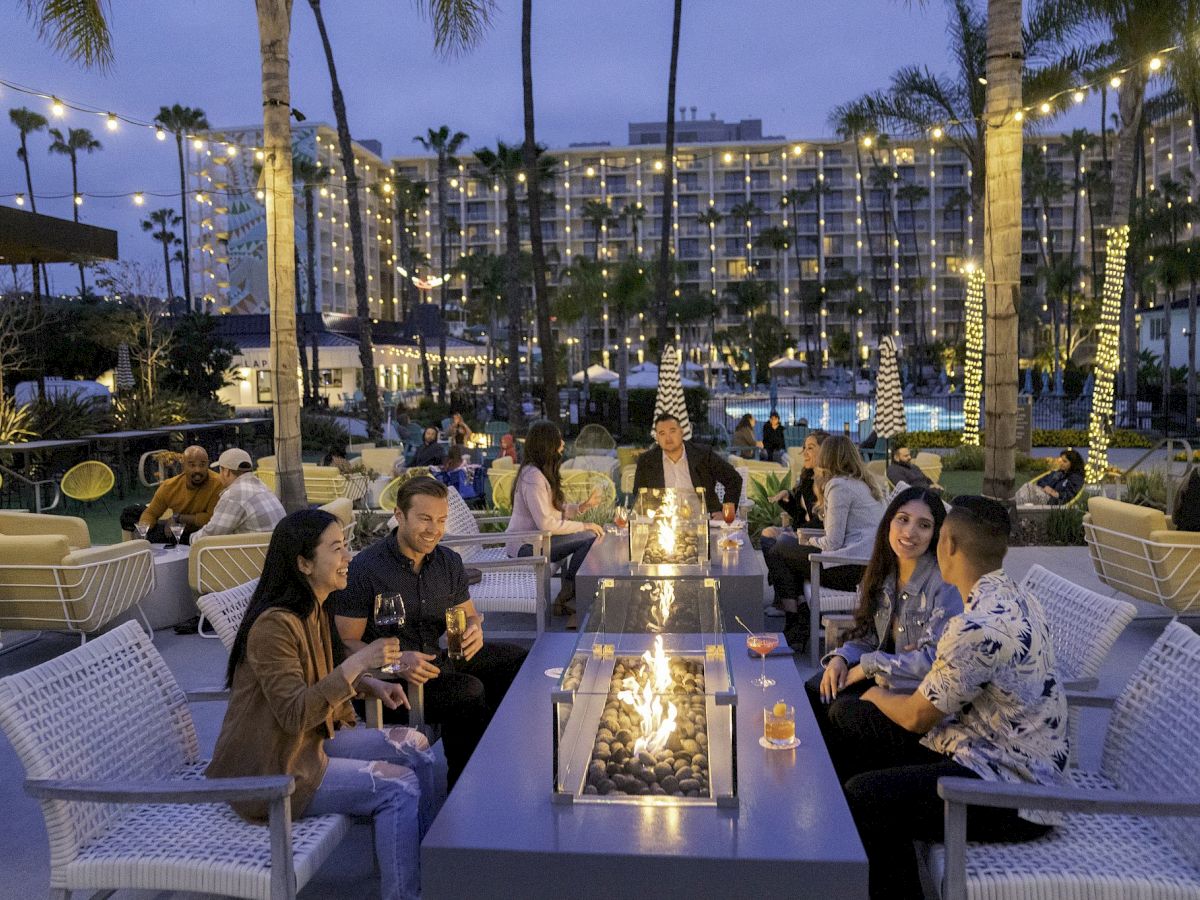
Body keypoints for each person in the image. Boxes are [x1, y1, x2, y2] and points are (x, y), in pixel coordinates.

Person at [831, 496, 1068, 900]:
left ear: (949, 546)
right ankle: (850, 865)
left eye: (934, 533)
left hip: (1011, 790)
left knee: (865, 795)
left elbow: (914, 718)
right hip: (976, 744)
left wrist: (872, 691)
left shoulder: (975, 626)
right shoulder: (1016, 596)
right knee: (852, 722)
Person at [207, 509, 435, 900]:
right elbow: (295, 713)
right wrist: (361, 662)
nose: (349, 557)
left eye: (346, 546)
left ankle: (427, 861)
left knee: (417, 745)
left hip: (310, 742)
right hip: (273, 769)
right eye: (337, 549)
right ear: (303, 562)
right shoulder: (274, 625)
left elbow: (317, 676)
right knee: (398, 788)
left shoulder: (314, 606)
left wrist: (368, 685)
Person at [331, 476, 528, 789]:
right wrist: (396, 661)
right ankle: (463, 788)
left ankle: (495, 756)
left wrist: (475, 629)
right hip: (390, 683)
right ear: (399, 515)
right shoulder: (366, 569)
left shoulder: (448, 562)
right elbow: (345, 644)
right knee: (469, 691)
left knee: (517, 659)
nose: (434, 529)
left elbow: (468, 616)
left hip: (440, 660)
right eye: (424, 519)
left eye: (441, 520)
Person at [804, 486, 962, 772]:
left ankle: (854, 784)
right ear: (889, 521)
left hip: (918, 699)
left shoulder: (943, 585)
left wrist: (868, 667)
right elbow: (867, 636)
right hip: (887, 676)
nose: (910, 532)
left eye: (923, 525)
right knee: (816, 689)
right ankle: (829, 780)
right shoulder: (882, 572)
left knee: (842, 710)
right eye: (903, 519)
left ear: (935, 533)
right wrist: (841, 658)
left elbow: (936, 661)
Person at [764, 435, 886, 650]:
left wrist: (806, 539)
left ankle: (797, 622)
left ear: (827, 457)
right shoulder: (858, 483)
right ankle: (800, 617)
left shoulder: (838, 486)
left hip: (852, 570)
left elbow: (832, 542)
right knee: (782, 547)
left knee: (779, 549)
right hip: (864, 564)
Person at [506, 420, 605, 623]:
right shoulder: (533, 477)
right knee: (588, 537)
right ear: (547, 443)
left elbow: (554, 511)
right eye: (558, 439)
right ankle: (567, 598)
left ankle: (568, 597)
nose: (562, 442)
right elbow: (547, 524)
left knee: (587, 536)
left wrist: (582, 507)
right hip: (526, 547)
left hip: (538, 541)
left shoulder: (540, 472)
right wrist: (585, 525)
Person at [633, 413, 743, 520]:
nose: (668, 438)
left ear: (681, 432)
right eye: (662, 433)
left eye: (672, 431)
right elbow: (639, 496)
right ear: (657, 437)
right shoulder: (647, 461)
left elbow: (734, 479)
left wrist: (725, 511)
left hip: (702, 521)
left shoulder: (703, 455)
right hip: (664, 525)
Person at [120, 445, 223, 544]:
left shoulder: (218, 483)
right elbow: (151, 513)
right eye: (192, 465)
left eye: (202, 464)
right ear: (183, 466)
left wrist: (178, 518)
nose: (197, 470)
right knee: (130, 513)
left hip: (201, 533)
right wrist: (143, 530)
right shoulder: (170, 486)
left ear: (207, 464)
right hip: (175, 528)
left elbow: (211, 519)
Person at [191, 448, 285, 540]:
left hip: (256, 554)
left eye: (220, 470)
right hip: (274, 550)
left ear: (226, 472)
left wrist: (190, 539)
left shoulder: (234, 494)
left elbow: (211, 534)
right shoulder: (262, 486)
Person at [1014, 448, 1084, 506]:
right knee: (1027, 491)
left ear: (1073, 464)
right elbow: (1040, 481)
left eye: (1065, 461)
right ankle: (1014, 511)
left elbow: (1070, 495)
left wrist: (1055, 493)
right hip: (1044, 495)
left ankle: (1010, 510)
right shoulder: (1057, 473)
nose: (1061, 463)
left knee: (1028, 488)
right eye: (1061, 460)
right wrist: (1046, 487)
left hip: (1054, 502)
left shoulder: (1076, 478)